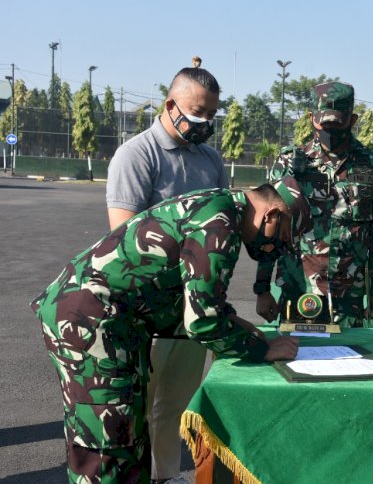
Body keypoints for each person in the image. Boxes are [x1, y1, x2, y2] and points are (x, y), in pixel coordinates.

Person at [32, 178, 310, 484]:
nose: (276, 247)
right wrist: (261, 349)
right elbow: (203, 321)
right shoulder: (219, 224)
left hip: (114, 323)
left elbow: (203, 298)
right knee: (106, 444)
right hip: (90, 322)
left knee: (130, 432)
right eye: (282, 238)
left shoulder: (221, 205)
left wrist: (243, 327)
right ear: (271, 215)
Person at [106, 64, 227, 484]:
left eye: (212, 115)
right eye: (198, 113)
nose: (205, 123)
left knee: (180, 399)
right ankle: (144, 475)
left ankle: (169, 475)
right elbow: (122, 240)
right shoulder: (136, 155)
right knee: (142, 401)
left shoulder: (210, 159)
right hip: (145, 304)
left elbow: (221, 226)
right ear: (171, 104)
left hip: (193, 303)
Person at [255, 82, 373, 327]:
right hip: (297, 288)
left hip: (348, 294)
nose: (330, 130)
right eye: (324, 124)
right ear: (311, 119)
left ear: (352, 120)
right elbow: (270, 228)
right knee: (295, 360)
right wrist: (262, 288)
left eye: (337, 124)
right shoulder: (289, 162)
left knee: (348, 361)